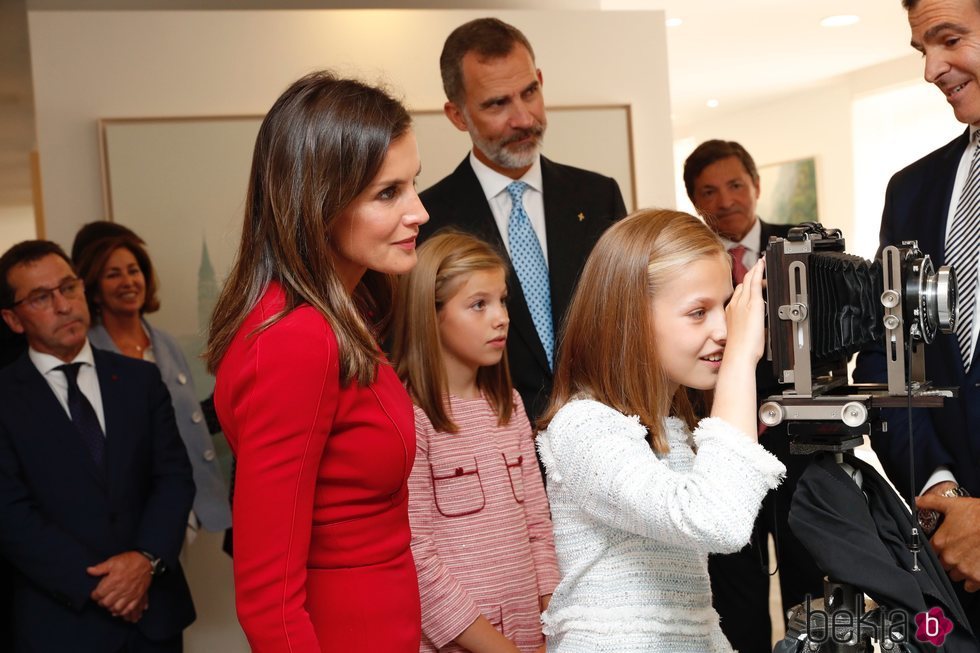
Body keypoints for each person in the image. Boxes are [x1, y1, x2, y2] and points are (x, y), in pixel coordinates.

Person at [205, 70, 429, 652]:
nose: (419, 212)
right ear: (320, 203)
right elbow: (267, 599)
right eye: (389, 193)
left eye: (413, 185)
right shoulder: (296, 338)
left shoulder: (345, 310)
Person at [535, 209, 786, 652]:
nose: (724, 330)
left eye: (726, 306)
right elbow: (719, 519)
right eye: (697, 312)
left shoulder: (671, 427)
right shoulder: (584, 427)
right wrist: (742, 362)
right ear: (629, 318)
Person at [419, 17, 628, 421]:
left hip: (602, 441)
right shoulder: (427, 221)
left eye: (529, 92)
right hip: (489, 448)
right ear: (457, 115)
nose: (523, 118)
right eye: (497, 104)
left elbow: (623, 322)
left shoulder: (598, 196)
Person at [0, 240, 195, 652]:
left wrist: (145, 561)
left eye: (68, 288)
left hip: (153, 617)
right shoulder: (5, 399)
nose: (63, 304)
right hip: (62, 624)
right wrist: (106, 586)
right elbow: (10, 514)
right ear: (13, 320)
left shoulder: (139, 381)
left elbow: (174, 478)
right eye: (40, 297)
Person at [853, 0, 980, 630]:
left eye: (949, 40)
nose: (931, 69)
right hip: (953, 576)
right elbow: (886, 361)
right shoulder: (912, 190)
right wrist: (942, 496)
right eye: (921, 49)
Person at [683, 139, 823, 651]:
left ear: (756, 185)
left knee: (808, 578)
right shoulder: (691, 266)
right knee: (734, 589)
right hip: (723, 441)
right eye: (709, 192)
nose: (725, 201)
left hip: (800, 446)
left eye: (735, 185)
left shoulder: (804, 249)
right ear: (696, 202)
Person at [392, 231, 560, 652]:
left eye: (502, 301)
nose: (501, 317)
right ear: (430, 314)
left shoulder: (509, 405)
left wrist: (553, 621)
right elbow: (415, 555)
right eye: (478, 304)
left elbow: (538, 526)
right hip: (461, 642)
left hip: (531, 634)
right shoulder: (411, 416)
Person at [75, 233, 232, 541]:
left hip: (181, 500)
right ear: (94, 289)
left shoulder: (167, 345)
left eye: (133, 271)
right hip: (123, 509)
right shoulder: (86, 351)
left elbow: (188, 420)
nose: (128, 281)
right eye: (113, 274)